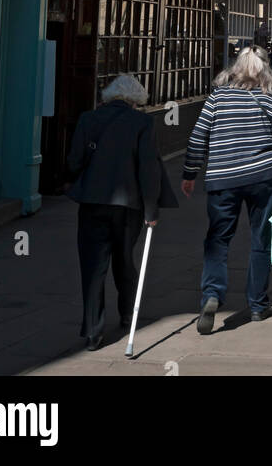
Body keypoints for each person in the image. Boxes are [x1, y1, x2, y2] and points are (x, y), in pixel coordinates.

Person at [181, 46, 272, 333]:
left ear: (237, 67)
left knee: (218, 239)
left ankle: (211, 294)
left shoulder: (219, 96)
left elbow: (198, 137)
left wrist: (190, 173)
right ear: (265, 68)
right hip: (263, 177)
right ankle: (257, 305)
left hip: (223, 178)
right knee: (261, 239)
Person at [66, 74, 178, 350]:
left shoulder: (88, 119)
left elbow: (74, 161)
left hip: (93, 202)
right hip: (128, 206)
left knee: (93, 267)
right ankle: (128, 312)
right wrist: (151, 209)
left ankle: (93, 331)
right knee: (124, 259)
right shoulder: (142, 122)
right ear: (135, 100)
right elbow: (148, 169)